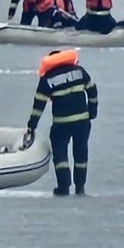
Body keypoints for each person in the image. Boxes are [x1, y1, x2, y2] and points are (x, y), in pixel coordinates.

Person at [25, 49, 97, 196]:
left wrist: (32, 126)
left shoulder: (47, 79)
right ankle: (80, 188)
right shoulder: (79, 71)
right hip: (82, 121)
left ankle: (63, 187)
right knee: (81, 154)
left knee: (60, 156)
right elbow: (92, 90)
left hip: (61, 123)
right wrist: (92, 112)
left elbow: (38, 105)